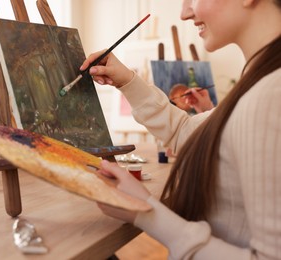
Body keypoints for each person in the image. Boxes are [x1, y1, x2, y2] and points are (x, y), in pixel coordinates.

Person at [80, 0, 281, 258]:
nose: (185, 12)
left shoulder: (271, 96)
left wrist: (147, 213)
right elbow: (187, 131)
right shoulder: (261, 80)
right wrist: (128, 81)